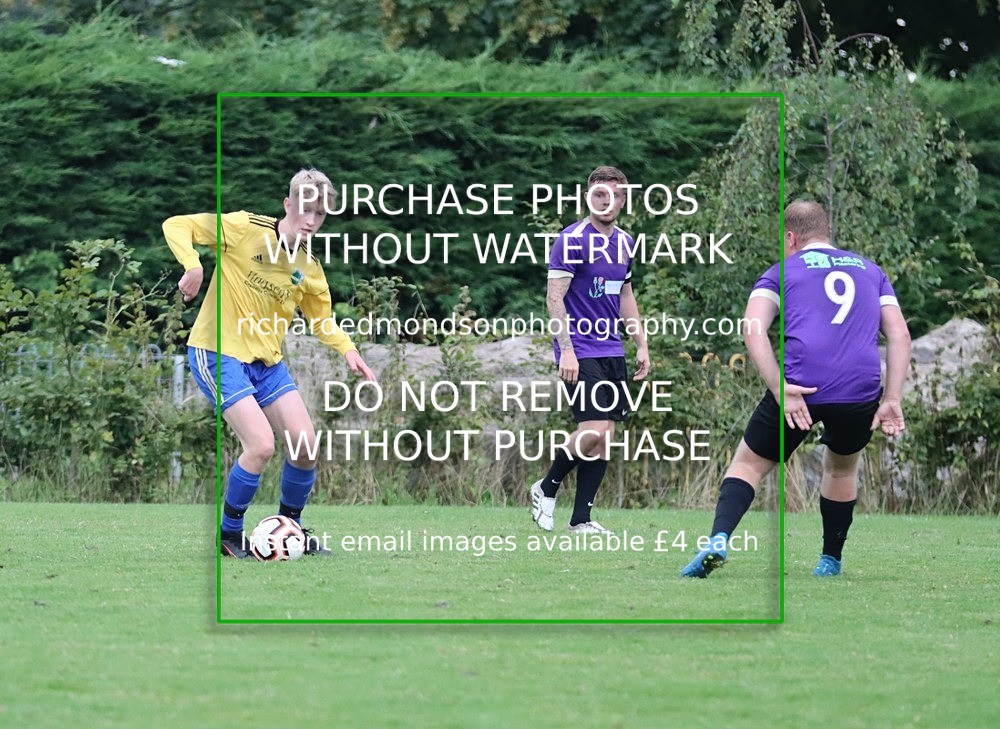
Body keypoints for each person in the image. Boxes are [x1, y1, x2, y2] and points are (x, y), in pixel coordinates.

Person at [680, 200, 910, 578]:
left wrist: (779, 387)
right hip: (859, 389)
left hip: (800, 386)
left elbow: (753, 328)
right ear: (826, 232)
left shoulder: (780, 272)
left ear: (790, 237)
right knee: (841, 470)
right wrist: (892, 399)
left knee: (748, 465)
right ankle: (830, 560)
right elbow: (899, 334)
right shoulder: (871, 271)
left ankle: (718, 539)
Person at [163, 168, 376, 559]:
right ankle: (229, 535)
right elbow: (177, 224)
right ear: (288, 204)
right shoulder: (245, 229)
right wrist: (193, 265)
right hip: (217, 353)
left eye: (320, 214)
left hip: (266, 364)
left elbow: (322, 319)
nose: (311, 220)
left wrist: (348, 350)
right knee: (260, 446)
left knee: (305, 445)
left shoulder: (308, 267)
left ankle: (290, 530)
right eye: (305, 210)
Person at [528, 166, 651, 534]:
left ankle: (580, 519)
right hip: (580, 348)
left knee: (605, 436)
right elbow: (554, 297)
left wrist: (640, 343)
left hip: (612, 348)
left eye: (615, 195)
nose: (607, 202)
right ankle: (546, 487)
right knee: (594, 428)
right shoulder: (571, 239)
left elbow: (625, 295)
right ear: (588, 197)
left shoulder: (625, 242)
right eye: (600, 195)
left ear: (624, 199)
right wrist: (566, 349)